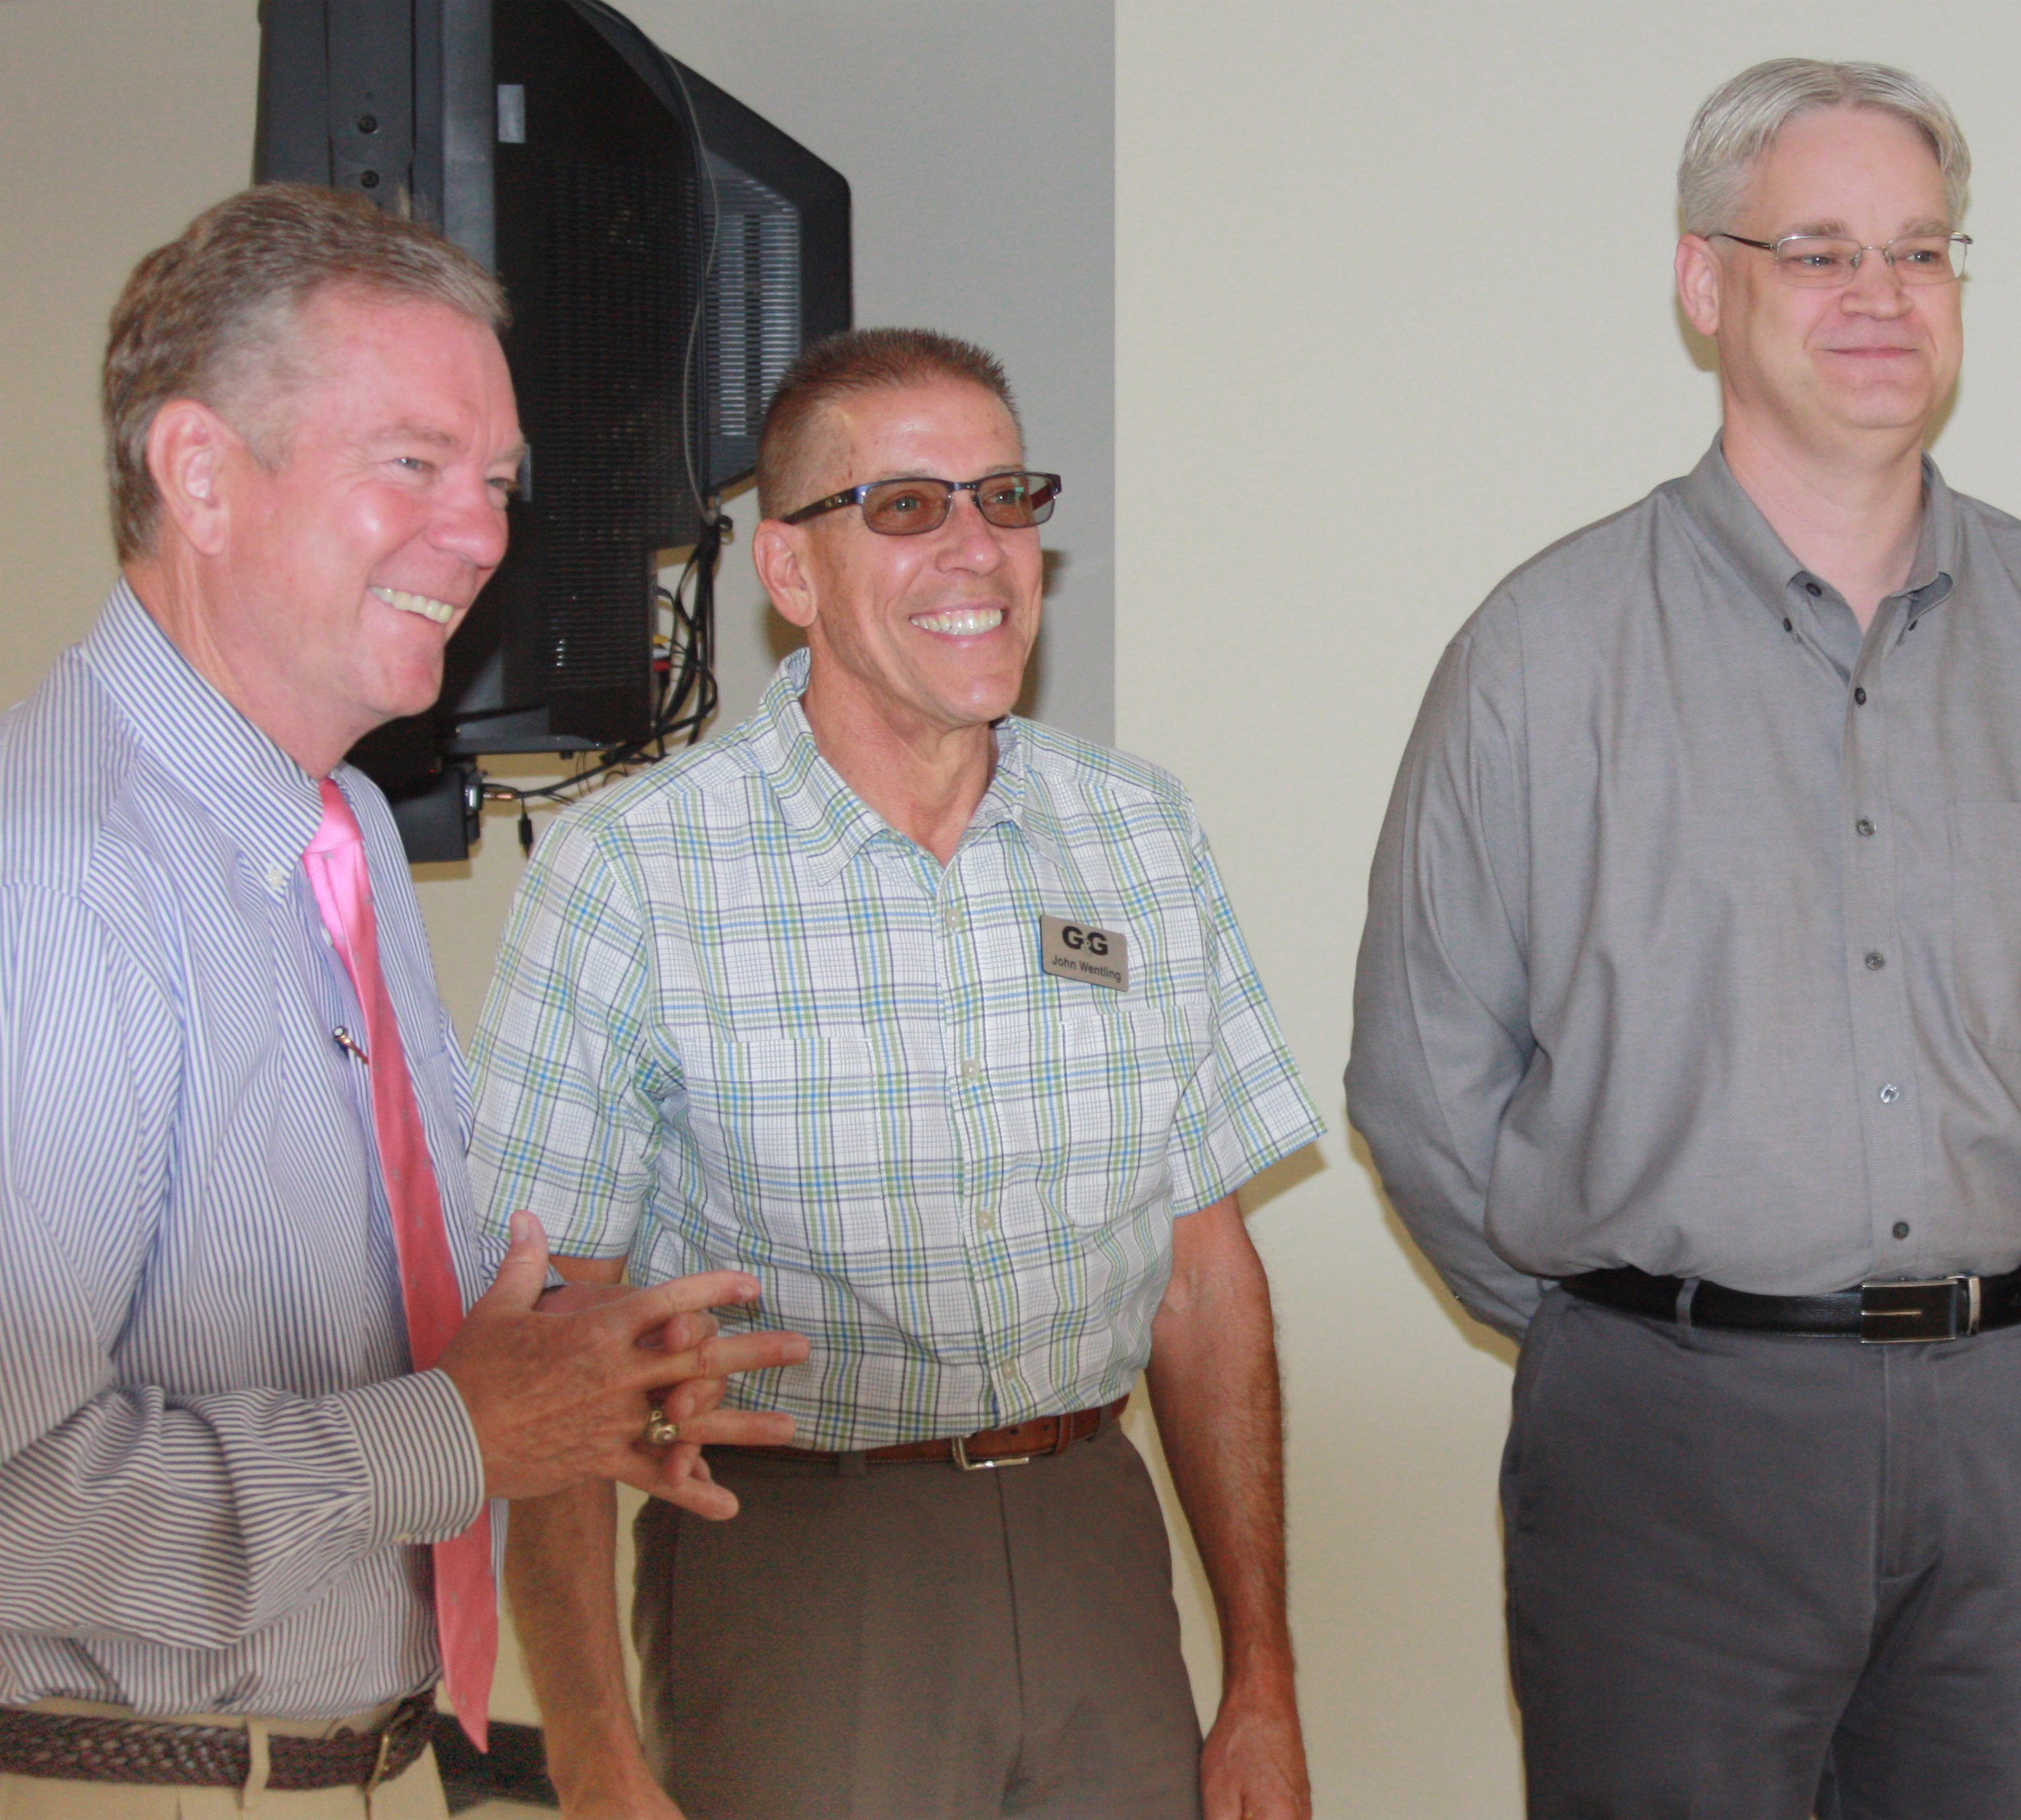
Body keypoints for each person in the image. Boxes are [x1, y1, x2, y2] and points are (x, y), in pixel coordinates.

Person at [1349, 56, 2021, 1820]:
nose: (1879, 295)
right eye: (1815, 250)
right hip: (1665, 1441)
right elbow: (1422, 1079)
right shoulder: (1543, 649)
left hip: (2007, 1436)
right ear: (1702, 283)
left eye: (1919, 250)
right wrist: (1634, 1319)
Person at [0, 184, 807, 1820]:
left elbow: (322, 1341)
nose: (483, 532)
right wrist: (451, 1435)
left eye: (496, 480)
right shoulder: (55, 871)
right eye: (414, 465)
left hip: (361, 1764)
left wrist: (567, 1392)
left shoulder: (341, 830)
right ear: (201, 473)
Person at [471, 326, 1325, 1820]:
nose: (980, 549)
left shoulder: (1140, 834)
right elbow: (550, 1349)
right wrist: (598, 1758)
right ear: (789, 576)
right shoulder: (635, 873)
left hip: (1092, 1543)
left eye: (1007, 497)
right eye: (910, 507)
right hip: (798, 1565)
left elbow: (1204, 1278)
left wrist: (1262, 1676)